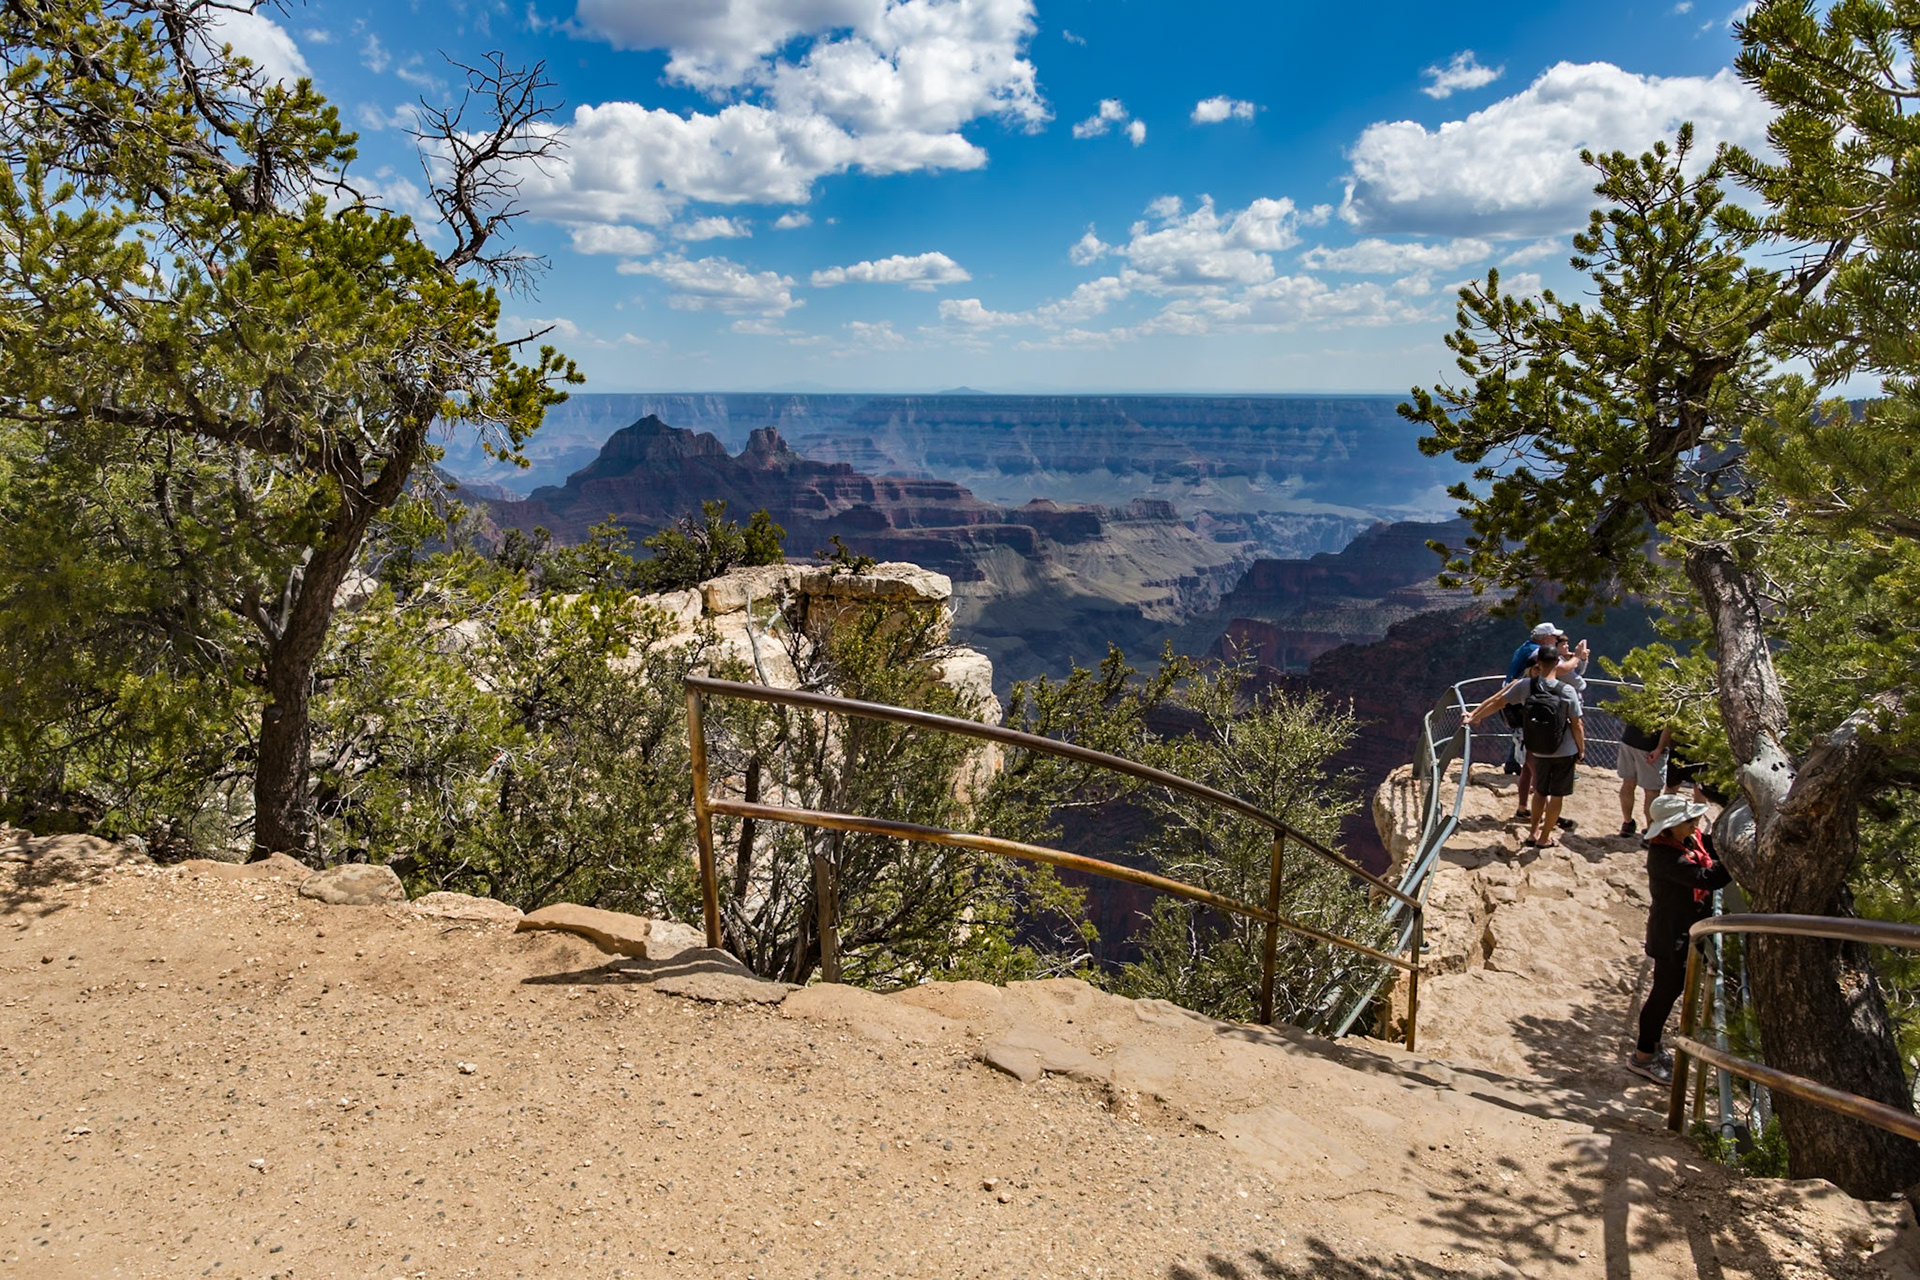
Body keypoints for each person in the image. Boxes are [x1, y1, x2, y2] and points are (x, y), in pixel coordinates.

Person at [1628, 792, 1731, 1084]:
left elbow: (1709, 847)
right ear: (1670, 827)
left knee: (1667, 992)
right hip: (1671, 934)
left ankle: (1652, 1048)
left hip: (1680, 930)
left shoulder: (1685, 841)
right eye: (1688, 820)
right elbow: (1708, 879)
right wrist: (1735, 859)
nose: (1695, 823)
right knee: (1663, 994)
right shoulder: (1665, 857)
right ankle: (1643, 1056)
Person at [1467, 647, 1585, 847]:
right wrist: (1581, 749)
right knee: (1556, 795)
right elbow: (1576, 724)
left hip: (1537, 748)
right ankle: (1544, 838)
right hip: (1563, 751)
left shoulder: (1525, 686)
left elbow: (1498, 702)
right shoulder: (1566, 690)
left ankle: (1533, 833)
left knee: (1539, 792)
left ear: (1538, 662)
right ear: (1557, 662)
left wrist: (1475, 716)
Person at [1501, 623, 1564, 819]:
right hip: (1526, 710)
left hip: (1516, 705)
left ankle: (1522, 807)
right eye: (1554, 637)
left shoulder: (1525, 647)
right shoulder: (1536, 652)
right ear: (1545, 639)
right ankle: (1544, 816)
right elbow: (1562, 669)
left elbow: (1496, 702)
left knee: (1527, 767)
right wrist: (1578, 658)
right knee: (1538, 771)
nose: (1556, 640)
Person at [1616, 718, 1669, 835]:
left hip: (1628, 740)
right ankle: (1651, 832)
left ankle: (1627, 823)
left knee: (1628, 783)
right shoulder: (1670, 700)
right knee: (1652, 792)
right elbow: (1669, 726)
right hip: (1650, 746)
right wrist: (1659, 749)